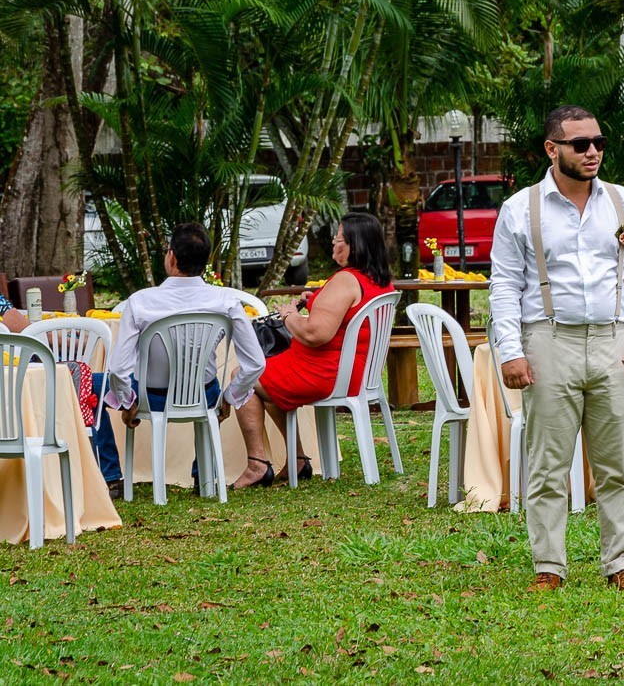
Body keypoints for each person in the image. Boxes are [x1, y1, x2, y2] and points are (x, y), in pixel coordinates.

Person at [490, 104, 624, 592]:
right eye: (580, 144)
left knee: (615, 465)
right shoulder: (521, 209)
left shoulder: (622, 202)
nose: (593, 152)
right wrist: (510, 350)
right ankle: (549, 567)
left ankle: (621, 565)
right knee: (547, 464)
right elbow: (504, 285)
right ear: (553, 149)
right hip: (549, 339)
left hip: (612, 341)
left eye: (599, 143)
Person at [231, 212, 393, 484]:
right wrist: (316, 299)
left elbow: (315, 333)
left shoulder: (346, 280)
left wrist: (287, 315)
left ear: (356, 245)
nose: (333, 242)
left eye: (339, 238)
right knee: (268, 382)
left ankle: (257, 464)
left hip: (326, 373)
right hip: (355, 371)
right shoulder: (378, 279)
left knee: (244, 375)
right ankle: (297, 459)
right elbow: (344, 314)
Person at [105, 223, 266, 488]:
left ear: (172, 257)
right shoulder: (226, 300)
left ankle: (110, 478)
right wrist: (230, 396)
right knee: (210, 382)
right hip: (205, 396)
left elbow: (119, 369)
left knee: (93, 384)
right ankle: (202, 474)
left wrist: (127, 400)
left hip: (150, 398)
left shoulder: (140, 301)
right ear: (205, 262)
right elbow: (256, 363)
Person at [1, 293, 124, 498]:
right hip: (24, 382)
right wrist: (72, 341)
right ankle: (128, 389)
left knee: (88, 390)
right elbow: (27, 330)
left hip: (21, 380)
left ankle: (110, 475)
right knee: (92, 387)